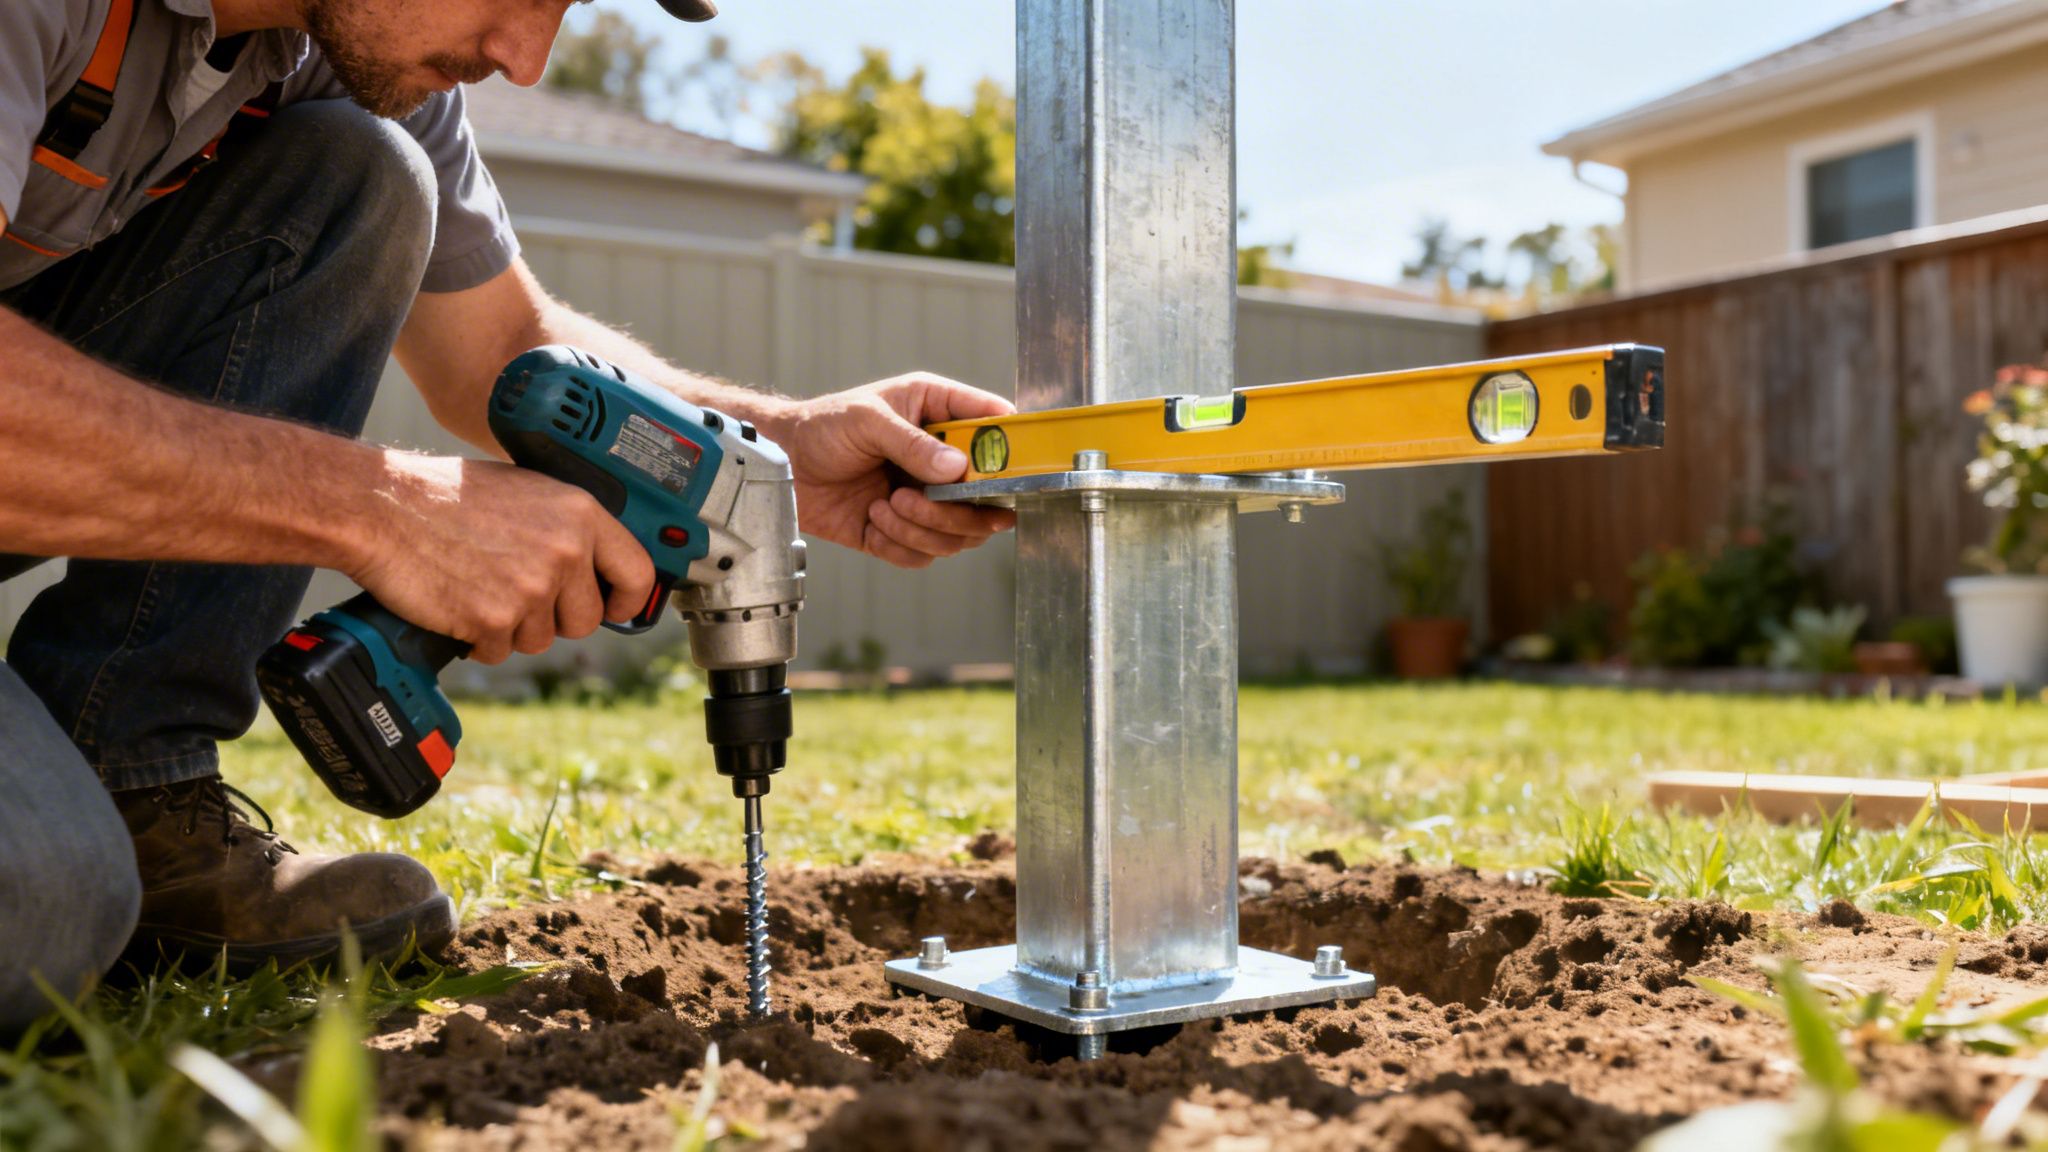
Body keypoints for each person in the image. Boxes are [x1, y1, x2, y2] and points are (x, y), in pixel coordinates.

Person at [0, 0, 1017, 1034]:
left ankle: (136, 790)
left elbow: (506, 348)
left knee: (364, 174)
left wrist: (779, 450)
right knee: (35, 904)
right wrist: (389, 510)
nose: (524, 61)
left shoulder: (329, 50)